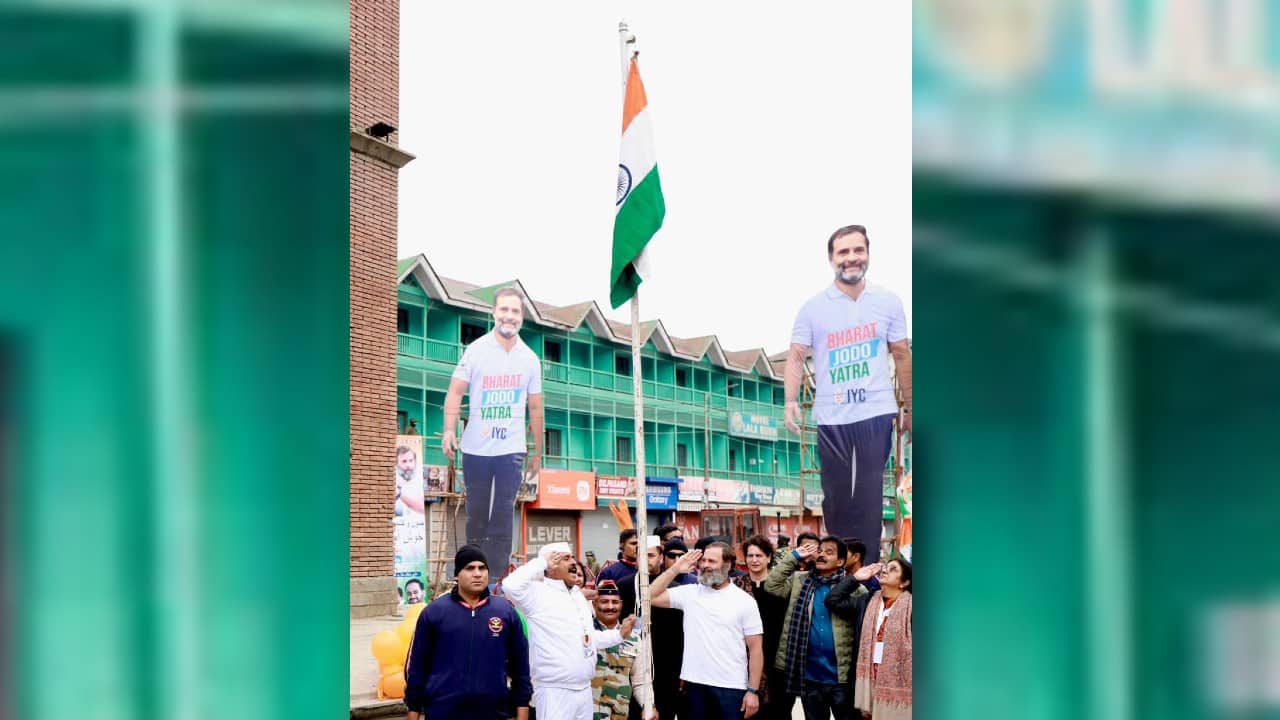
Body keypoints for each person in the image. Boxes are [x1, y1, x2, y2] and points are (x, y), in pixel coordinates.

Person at [784, 224, 911, 564]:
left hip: (876, 411)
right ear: (831, 259)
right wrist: (790, 401)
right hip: (832, 416)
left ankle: (867, 570)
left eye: (858, 250)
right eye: (844, 252)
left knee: (869, 496)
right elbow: (796, 355)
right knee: (837, 497)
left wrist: (912, 408)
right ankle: (836, 566)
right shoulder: (814, 307)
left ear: (868, 254)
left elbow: (901, 353)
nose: (852, 258)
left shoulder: (887, 301)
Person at [443, 286, 545, 576]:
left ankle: (497, 580)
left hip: (511, 450)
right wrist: (448, 430)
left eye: (515, 311)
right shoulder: (476, 350)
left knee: (502, 515)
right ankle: (469, 575)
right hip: (475, 449)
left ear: (522, 316)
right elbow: (454, 393)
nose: (509, 317)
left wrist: (537, 451)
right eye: (504, 310)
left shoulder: (530, 359)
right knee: (476, 516)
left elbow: (535, 408)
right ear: (494, 312)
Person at [504, 542, 636, 720]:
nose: (573, 562)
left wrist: (619, 635)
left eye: (572, 557)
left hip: (583, 690)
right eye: (566, 558)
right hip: (555, 692)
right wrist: (541, 562)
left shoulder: (576, 595)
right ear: (551, 565)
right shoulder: (537, 593)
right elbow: (510, 585)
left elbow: (587, 639)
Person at [404, 545, 531, 720]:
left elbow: (521, 666)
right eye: (470, 568)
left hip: (492, 712)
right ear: (457, 574)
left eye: (482, 568)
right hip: (443, 711)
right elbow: (417, 667)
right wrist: (413, 709)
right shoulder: (434, 612)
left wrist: (522, 708)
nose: (478, 574)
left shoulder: (505, 612)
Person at [649, 544, 764, 720]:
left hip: (731, 688)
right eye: (703, 560)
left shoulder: (744, 601)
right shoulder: (690, 593)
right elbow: (649, 596)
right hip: (694, 686)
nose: (705, 565)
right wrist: (674, 569)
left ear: (728, 565)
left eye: (712, 561)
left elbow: (756, 650)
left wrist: (753, 691)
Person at [765, 536, 859, 720]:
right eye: (820, 551)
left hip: (841, 677)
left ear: (840, 561)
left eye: (829, 552)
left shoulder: (853, 588)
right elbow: (772, 585)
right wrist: (794, 556)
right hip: (809, 675)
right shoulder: (800, 580)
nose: (822, 555)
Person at [732, 536, 793, 720]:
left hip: (777, 660)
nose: (754, 560)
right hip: (743, 659)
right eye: (750, 556)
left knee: (778, 712)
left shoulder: (782, 587)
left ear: (769, 558)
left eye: (759, 555)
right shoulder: (736, 587)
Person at [850, 557, 911, 719]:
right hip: (871, 674)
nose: (884, 570)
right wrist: (855, 578)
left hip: (899, 679)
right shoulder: (869, 600)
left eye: (893, 569)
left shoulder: (912, 607)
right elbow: (833, 600)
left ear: (904, 583)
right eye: (885, 567)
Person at [591, 580, 657, 720]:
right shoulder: (584, 635)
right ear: (594, 604)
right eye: (604, 601)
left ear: (621, 604)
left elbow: (640, 681)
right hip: (584, 713)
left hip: (618, 714)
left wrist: (648, 705)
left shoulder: (634, 639)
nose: (610, 607)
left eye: (615, 602)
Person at [649, 538, 694, 720]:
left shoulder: (692, 586)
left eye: (681, 556)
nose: (676, 559)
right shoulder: (634, 583)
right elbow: (649, 596)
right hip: (650, 660)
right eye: (671, 555)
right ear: (663, 557)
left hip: (679, 660)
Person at [597, 529, 641, 616]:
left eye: (641, 544)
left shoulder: (650, 570)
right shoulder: (609, 572)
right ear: (622, 545)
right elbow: (602, 602)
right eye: (633, 543)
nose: (638, 547)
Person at [395, 445, 426, 515]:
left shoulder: (419, 478)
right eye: (404, 461)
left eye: (411, 460)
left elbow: (421, 507)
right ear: (396, 463)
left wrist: (399, 494)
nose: (408, 465)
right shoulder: (393, 479)